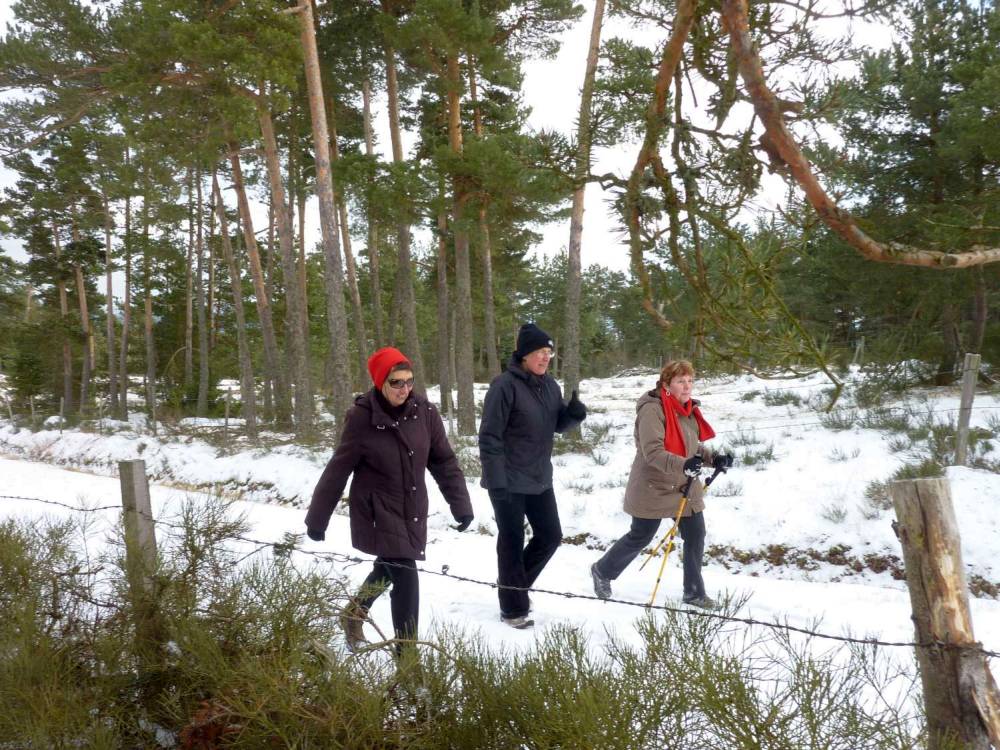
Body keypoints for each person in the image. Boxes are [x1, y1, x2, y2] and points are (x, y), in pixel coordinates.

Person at [305, 346, 474, 652]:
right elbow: (338, 469)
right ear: (381, 382)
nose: (404, 389)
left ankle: (354, 612)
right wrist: (318, 519)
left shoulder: (425, 413)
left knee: (389, 566)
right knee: (405, 574)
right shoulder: (362, 418)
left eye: (409, 381)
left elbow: (444, 462)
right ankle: (407, 658)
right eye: (396, 382)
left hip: (412, 507)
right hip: (377, 510)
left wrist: (461, 505)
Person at [589, 360, 732, 610]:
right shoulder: (652, 410)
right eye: (680, 381)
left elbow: (691, 445)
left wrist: (713, 459)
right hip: (653, 484)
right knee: (641, 535)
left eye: (690, 381)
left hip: (685, 484)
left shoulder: (686, 409)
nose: (687, 386)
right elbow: (652, 452)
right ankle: (602, 571)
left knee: (696, 534)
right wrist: (685, 465)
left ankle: (694, 592)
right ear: (666, 384)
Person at [478, 323, 588, 628]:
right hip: (507, 479)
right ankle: (513, 609)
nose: (545, 357)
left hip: (539, 477)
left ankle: (514, 589)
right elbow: (489, 436)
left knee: (550, 536)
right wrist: (495, 481)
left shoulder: (550, 386)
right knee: (511, 541)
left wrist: (573, 415)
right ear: (524, 354)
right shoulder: (504, 386)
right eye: (539, 352)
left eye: (548, 352)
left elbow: (556, 425)